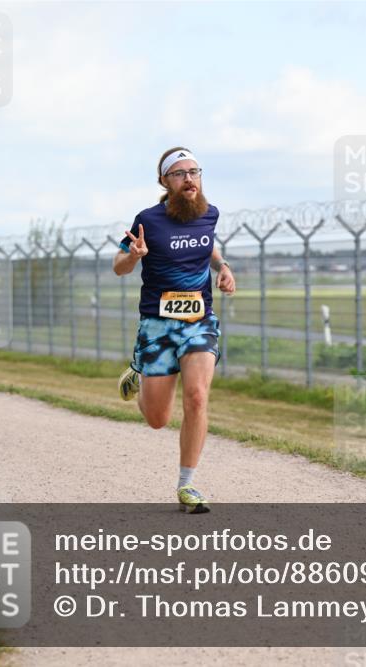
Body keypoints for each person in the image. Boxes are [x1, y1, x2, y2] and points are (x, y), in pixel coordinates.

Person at [113, 146, 235, 514]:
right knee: (157, 419)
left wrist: (223, 267)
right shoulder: (147, 220)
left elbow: (207, 246)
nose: (189, 179)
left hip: (199, 321)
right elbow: (119, 265)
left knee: (197, 396)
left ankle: (187, 484)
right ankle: (137, 374)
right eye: (180, 174)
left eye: (194, 172)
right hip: (157, 325)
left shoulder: (208, 215)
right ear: (165, 181)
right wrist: (134, 256)